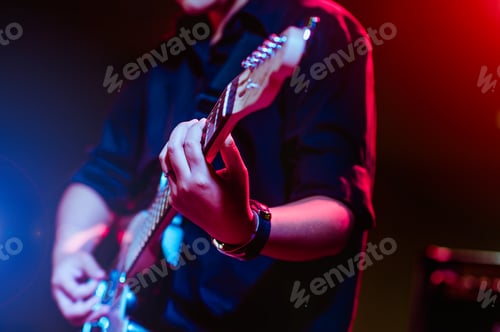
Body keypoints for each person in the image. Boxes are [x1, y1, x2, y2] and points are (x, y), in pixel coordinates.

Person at [51, 0, 376, 330]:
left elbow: (337, 214)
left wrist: (246, 229)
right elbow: (102, 174)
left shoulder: (321, 27)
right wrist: (69, 251)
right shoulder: (166, 58)